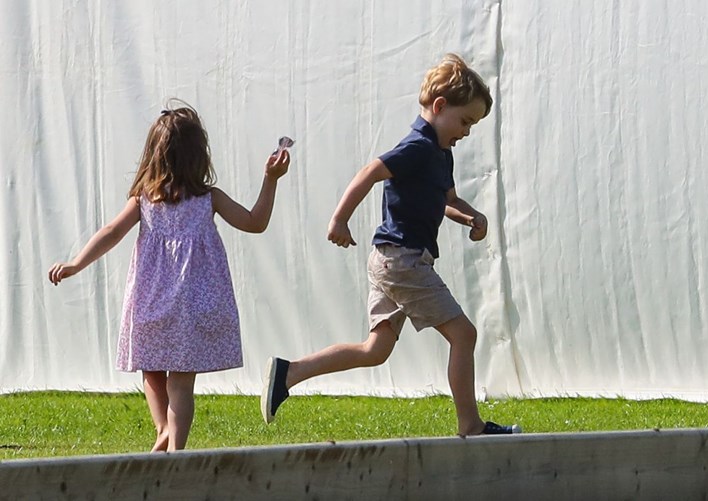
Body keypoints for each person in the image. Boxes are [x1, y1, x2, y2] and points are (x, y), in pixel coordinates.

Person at [261, 54, 520, 436]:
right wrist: (339, 219)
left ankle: (289, 373)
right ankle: (471, 425)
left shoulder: (440, 154)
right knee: (464, 335)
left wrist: (470, 217)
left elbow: (446, 199)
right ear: (439, 107)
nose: (466, 132)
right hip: (403, 261)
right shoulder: (418, 146)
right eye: (465, 121)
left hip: (391, 261)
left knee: (375, 350)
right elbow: (371, 172)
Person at [48, 102, 290, 451]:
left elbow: (112, 231)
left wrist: (76, 262)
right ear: (198, 155)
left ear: (154, 155)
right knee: (181, 382)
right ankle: (174, 447)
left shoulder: (144, 200)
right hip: (194, 304)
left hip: (152, 301)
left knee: (151, 370)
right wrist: (270, 180)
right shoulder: (209, 199)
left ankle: (163, 430)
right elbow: (255, 222)